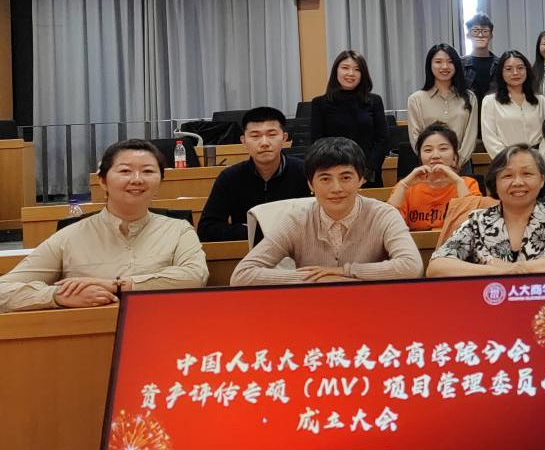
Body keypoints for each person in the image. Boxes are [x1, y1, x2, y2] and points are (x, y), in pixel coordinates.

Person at [1, 140, 208, 312]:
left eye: (147, 171)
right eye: (125, 171)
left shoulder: (178, 229)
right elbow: (4, 289)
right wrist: (57, 296)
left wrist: (116, 285)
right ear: (102, 181)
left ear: (161, 181)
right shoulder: (70, 236)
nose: (137, 180)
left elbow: (195, 276)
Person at [231, 138, 422, 285]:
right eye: (325, 179)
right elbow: (242, 274)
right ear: (310, 184)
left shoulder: (384, 215)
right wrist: (317, 279)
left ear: (361, 180)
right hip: (312, 308)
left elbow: (411, 266)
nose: (336, 188)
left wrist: (345, 272)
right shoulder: (296, 219)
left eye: (345, 177)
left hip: (371, 306)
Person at [427, 144, 545, 277]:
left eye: (527, 174)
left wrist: (518, 268)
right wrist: (494, 271)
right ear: (495, 182)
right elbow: (437, 266)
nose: (518, 182)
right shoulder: (477, 221)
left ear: (542, 180)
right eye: (507, 176)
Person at [198, 107, 310, 242]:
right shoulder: (230, 177)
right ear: (244, 141)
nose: (264, 143)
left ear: (284, 138)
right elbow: (206, 229)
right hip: (248, 252)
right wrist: (254, 231)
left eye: (272, 134)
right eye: (255, 136)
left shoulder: (305, 172)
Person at [310, 50, 389, 188]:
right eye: (345, 68)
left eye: (357, 69)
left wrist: (367, 172)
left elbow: (382, 139)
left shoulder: (374, 101)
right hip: (333, 175)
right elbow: (317, 142)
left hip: (368, 175)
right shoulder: (319, 103)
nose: (351, 73)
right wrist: (336, 173)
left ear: (363, 74)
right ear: (336, 71)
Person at [389, 123, 482, 231]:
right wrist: (404, 185)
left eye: (443, 149)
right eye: (428, 150)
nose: (435, 156)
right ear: (420, 157)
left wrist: (458, 182)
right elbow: (389, 224)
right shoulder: (406, 187)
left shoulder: (468, 184)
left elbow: (474, 224)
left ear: (455, 157)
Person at [406, 44, 478, 162]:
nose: (444, 66)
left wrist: (457, 161)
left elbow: (471, 135)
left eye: (450, 62)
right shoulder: (416, 99)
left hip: (461, 164)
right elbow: (415, 137)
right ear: (430, 65)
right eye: (438, 62)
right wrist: (431, 160)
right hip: (429, 164)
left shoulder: (469, 97)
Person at [480, 50, 545, 157]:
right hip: (506, 158)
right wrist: (509, 161)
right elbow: (489, 138)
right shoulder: (490, 101)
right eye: (508, 69)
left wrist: (540, 159)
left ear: (527, 70)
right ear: (501, 72)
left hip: (537, 158)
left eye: (520, 68)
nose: (515, 73)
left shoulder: (540, 100)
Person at [461, 13, 497, 104]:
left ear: (491, 36)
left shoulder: (500, 64)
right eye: (475, 31)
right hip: (468, 110)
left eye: (485, 31)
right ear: (468, 35)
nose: (480, 35)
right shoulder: (459, 64)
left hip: (495, 110)